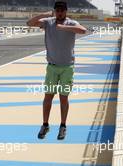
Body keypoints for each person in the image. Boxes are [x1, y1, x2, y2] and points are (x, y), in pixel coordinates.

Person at [26, 1, 87, 140]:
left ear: (66, 11)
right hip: (52, 67)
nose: (60, 12)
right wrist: (44, 15)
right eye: (57, 10)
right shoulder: (48, 22)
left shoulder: (71, 23)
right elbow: (29, 23)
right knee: (48, 97)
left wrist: (63, 27)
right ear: (54, 11)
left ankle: (63, 126)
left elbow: (83, 30)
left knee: (63, 98)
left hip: (67, 67)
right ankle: (45, 124)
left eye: (62, 10)